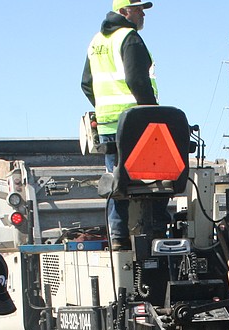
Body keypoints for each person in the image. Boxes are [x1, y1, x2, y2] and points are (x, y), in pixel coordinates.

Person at [81, 0, 158, 250]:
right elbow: (138, 80)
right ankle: (153, 231)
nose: (142, 15)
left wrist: (103, 106)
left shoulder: (96, 42)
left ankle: (118, 237)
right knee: (151, 178)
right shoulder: (129, 38)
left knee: (116, 181)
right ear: (124, 12)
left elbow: (86, 83)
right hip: (135, 122)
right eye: (138, 10)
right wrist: (151, 113)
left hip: (108, 124)